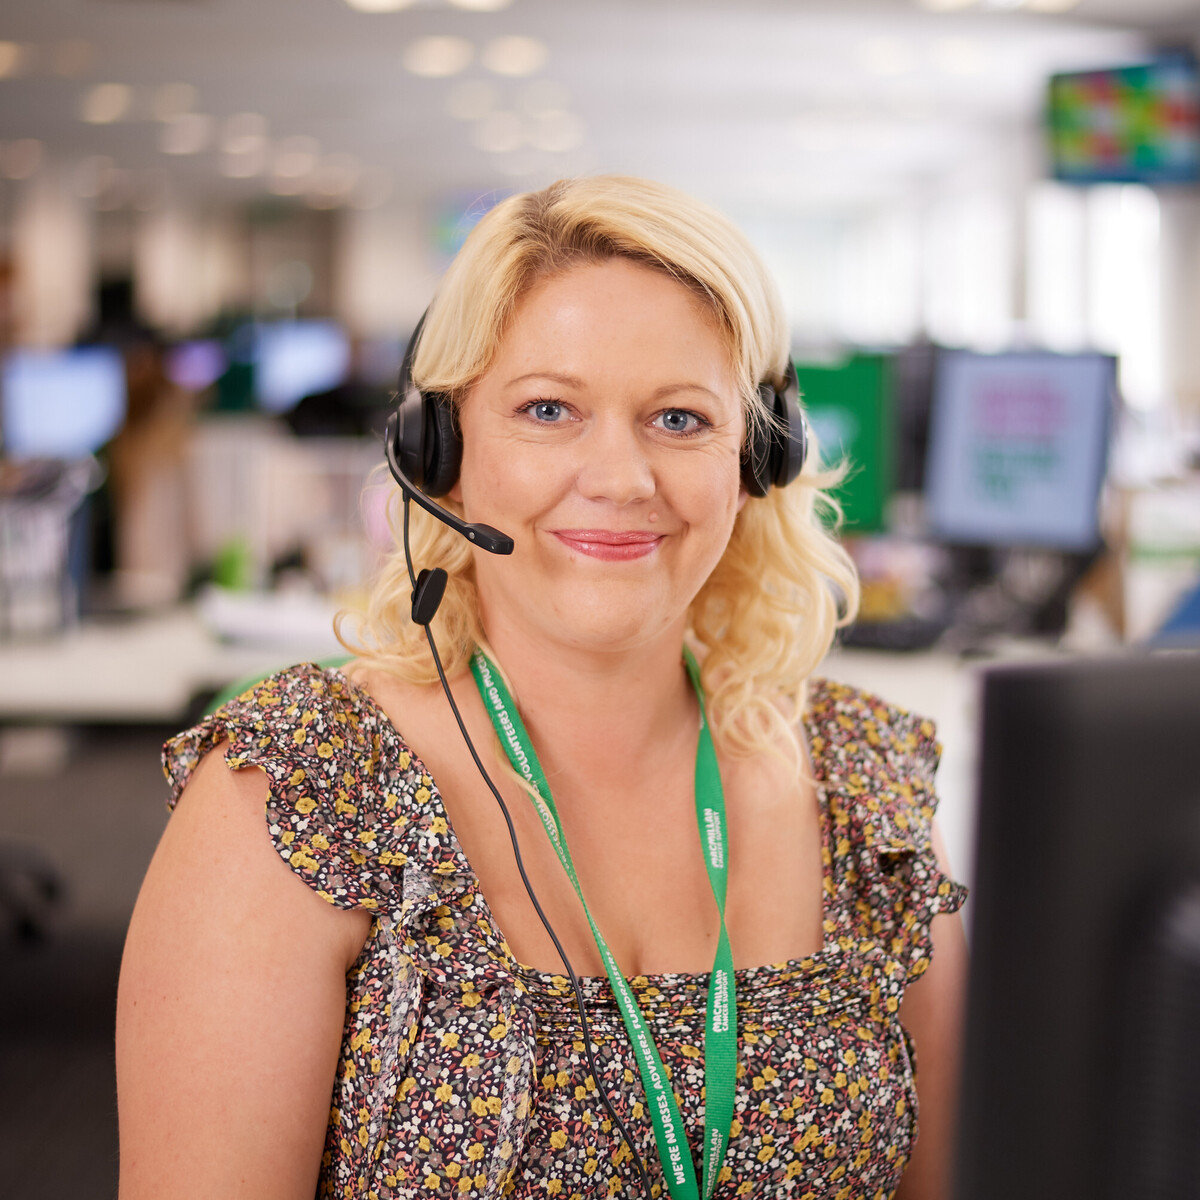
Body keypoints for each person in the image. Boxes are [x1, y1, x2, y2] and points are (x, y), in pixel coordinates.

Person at [116, 175, 968, 1200]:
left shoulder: (867, 791)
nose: (619, 476)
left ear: (758, 458)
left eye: (681, 419)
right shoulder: (299, 792)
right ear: (441, 449)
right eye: (549, 409)